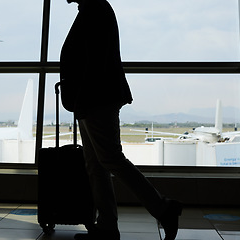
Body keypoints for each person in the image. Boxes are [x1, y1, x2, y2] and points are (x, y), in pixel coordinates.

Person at [59, 0, 182, 239]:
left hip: (95, 98)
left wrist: (81, 97)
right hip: (92, 98)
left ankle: (162, 208)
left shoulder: (94, 9)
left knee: (109, 159)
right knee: (97, 163)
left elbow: (95, 60)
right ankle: (107, 224)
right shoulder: (93, 8)